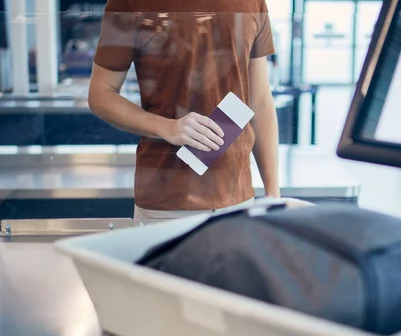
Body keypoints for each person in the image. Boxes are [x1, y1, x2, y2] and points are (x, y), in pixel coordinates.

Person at [88, 0, 280, 219]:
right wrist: (167, 127)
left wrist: (273, 194)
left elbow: (260, 100)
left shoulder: (254, 2)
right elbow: (101, 94)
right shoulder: (129, 3)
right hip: (166, 202)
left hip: (240, 200)